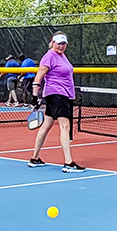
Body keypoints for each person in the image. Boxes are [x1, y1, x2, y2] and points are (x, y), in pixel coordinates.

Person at [29, 31, 85, 173]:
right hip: (57, 95)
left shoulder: (62, 56)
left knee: (46, 125)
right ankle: (68, 162)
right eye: (59, 43)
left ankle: (35, 158)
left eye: (63, 44)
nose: (61, 46)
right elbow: (38, 77)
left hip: (63, 95)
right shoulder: (49, 56)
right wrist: (35, 97)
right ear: (52, 43)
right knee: (65, 126)